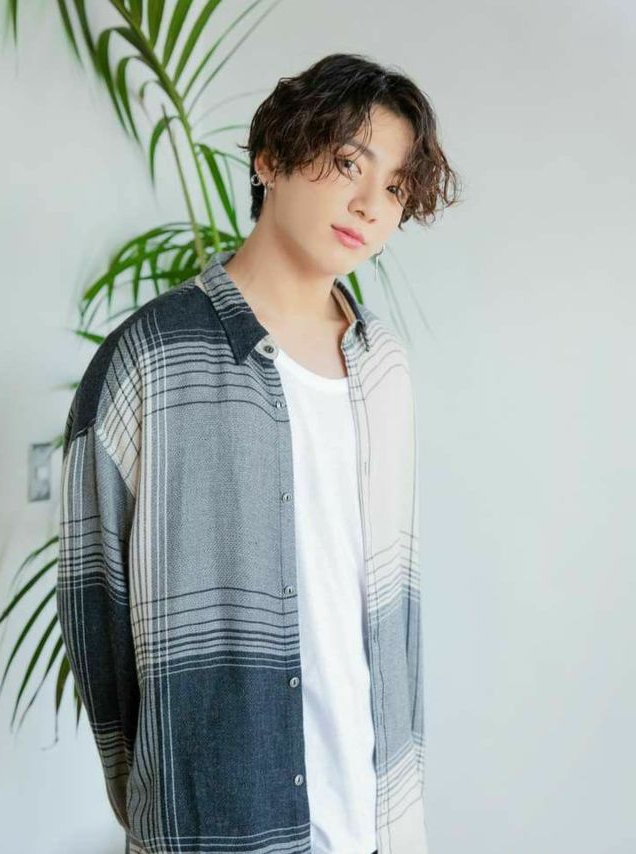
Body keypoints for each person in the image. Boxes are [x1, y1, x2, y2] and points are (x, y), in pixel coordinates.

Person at [57, 52, 459, 854]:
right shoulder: (150, 360)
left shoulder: (385, 368)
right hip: (219, 826)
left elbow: (395, 613)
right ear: (270, 157)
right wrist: (173, 801)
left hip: (381, 821)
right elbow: (95, 617)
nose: (369, 204)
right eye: (348, 163)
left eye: (394, 187)